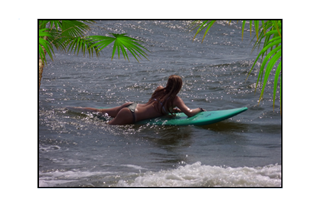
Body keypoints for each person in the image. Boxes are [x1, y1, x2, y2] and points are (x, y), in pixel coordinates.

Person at [72, 75, 205, 125]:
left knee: (98, 111)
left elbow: (155, 106)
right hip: (131, 115)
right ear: (179, 87)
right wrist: (200, 109)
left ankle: (72, 110)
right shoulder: (175, 99)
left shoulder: (159, 89)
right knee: (105, 127)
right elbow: (189, 113)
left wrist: (171, 110)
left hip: (131, 105)